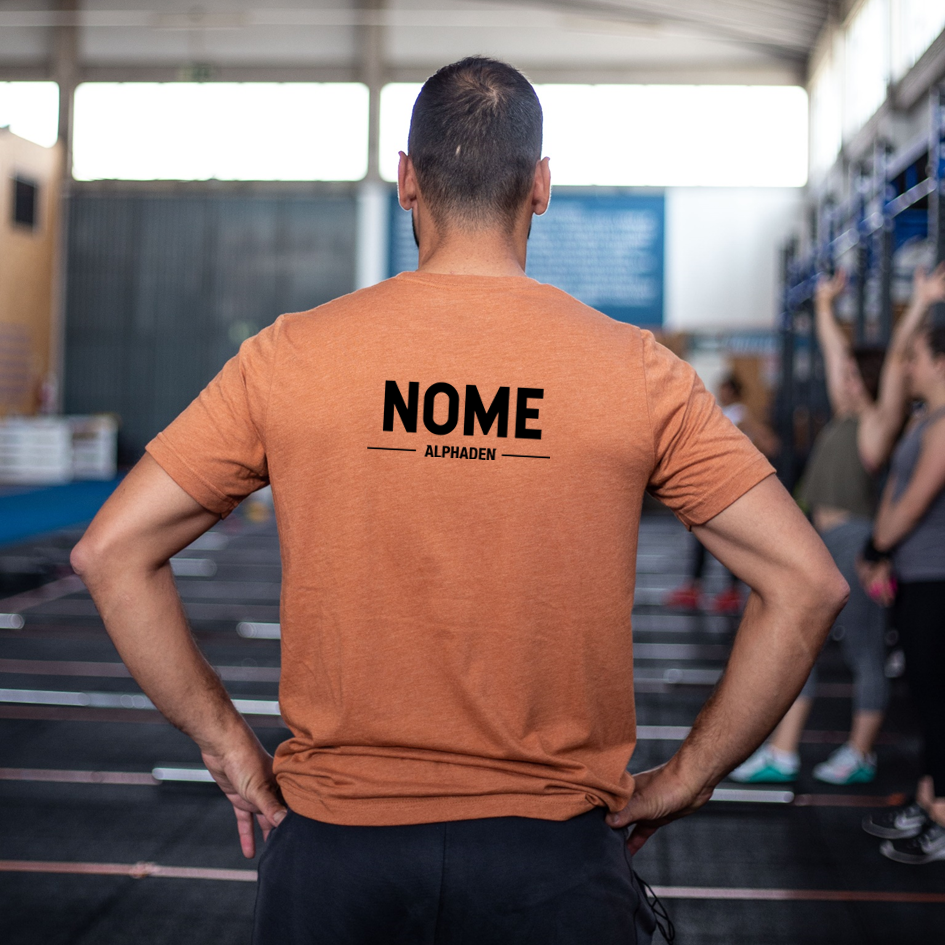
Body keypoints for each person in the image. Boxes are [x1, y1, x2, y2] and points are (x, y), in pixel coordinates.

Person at [70, 57, 848, 945]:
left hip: (334, 856)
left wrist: (226, 744)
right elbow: (806, 583)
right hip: (552, 863)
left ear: (406, 178)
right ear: (541, 187)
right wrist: (688, 776)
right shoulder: (635, 372)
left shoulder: (290, 357)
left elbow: (110, 552)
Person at [731, 265, 945, 786]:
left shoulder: (878, 425)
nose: (843, 379)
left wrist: (921, 303)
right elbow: (834, 355)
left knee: (864, 652)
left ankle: (860, 751)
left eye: (853, 375)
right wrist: (825, 307)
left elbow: (896, 364)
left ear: (870, 383)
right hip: (823, 540)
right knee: (794, 641)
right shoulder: (844, 419)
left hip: (855, 540)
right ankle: (782, 752)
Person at [860, 323, 945, 864]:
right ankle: (926, 798)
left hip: (938, 580)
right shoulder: (923, 419)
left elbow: (915, 502)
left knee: (938, 701)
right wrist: (883, 550)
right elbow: (894, 487)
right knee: (924, 698)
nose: (906, 367)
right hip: (915, 575)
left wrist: (876, 545)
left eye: (914, 358)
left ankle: (940, 816)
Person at [665, 374, 779, 615]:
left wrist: (746, 461)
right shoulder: (720, 411)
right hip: (710, 486)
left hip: (731, 487)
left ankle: (733, 590)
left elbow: (769, 444)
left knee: (731, 540)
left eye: (725, 388)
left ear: (733, 391)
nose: (721, 392)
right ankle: (696, 587)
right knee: (703, 537)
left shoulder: (742, 413)